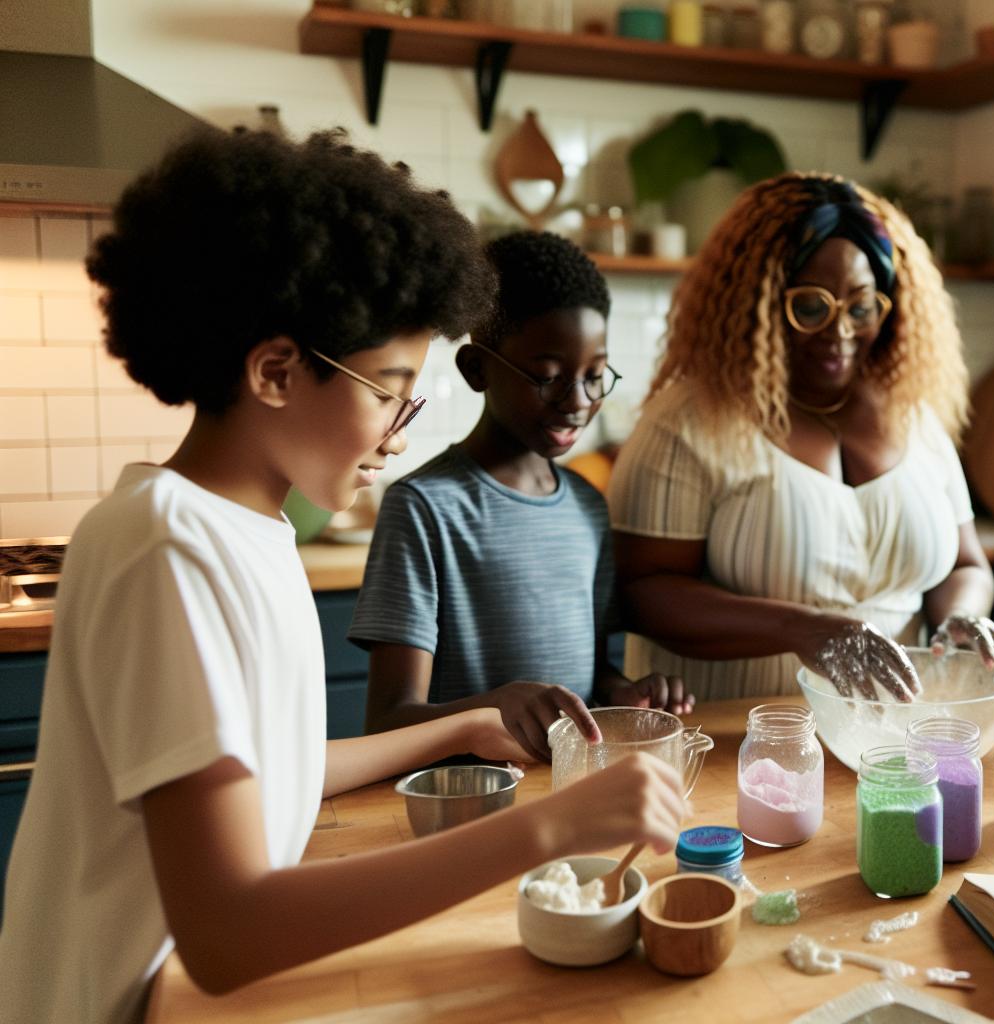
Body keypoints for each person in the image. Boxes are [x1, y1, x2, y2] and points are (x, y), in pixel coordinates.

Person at [0, 129, 688, 1023]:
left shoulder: (248, 530)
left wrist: (467, 725)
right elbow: (225, 932)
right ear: (277, 372)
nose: (401, 430)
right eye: (387, 390)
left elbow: (281, 768)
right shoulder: (163, 549)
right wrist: (552, 827)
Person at [608, 174, 994, 702]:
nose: (840, 331)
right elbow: (642, 594)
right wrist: (803, 628)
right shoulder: (690, 421)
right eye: (810, 306)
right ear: (754, 305)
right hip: (733, 737)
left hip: (888, 741)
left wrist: (963, 619)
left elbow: (966, 565)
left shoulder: (915, 417)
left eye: (861, 307)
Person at [351, 230, 691, 763]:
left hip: (567, 796)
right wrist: (495, 709)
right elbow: (388, 719)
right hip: (466, 807)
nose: (576, 401)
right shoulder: (424, 508)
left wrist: (622, 693)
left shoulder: (587, 507)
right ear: (476, 369)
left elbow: (591, 675)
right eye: (547, 377)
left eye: (595, 376)